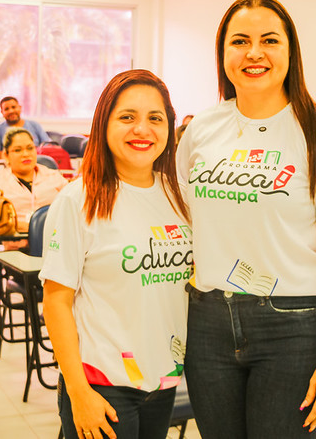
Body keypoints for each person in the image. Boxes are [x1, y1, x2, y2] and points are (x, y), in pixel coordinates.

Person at [176, 0, 316, 437]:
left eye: (269, 40)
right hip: (208, 320)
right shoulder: (201, 129)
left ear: (290, 51)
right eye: (240, 41)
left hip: (293, 325)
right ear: (223, 54)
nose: (254, 53)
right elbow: (181, 220)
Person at [41, 69, 191, 439]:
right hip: (101, 383)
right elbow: (56, 302)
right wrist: (78, 392)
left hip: (162, 378)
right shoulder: (78, 200)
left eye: (155, 118)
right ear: (104, 124)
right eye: (127, 117)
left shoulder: (179, 195)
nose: (142, 129)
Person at [0, 126, 67, 249]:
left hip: (55, 244)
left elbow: (74, 210)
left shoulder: (54, 176)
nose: (26, 154)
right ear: (6, 155)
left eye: (30, 148)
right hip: (16, 248)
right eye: (18, 150)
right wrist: (29, 226)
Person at [0, 96, 49, 160]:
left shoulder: (35, 125)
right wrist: (17, 159)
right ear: (2, 112)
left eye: (13, 107)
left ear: (20, 108)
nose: (11, 111)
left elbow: (49, 148)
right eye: (6, 109)